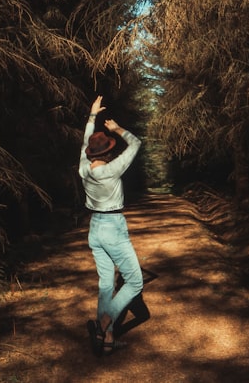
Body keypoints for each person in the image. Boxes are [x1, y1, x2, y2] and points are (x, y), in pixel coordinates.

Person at [79, 95, 143, 356]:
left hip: (94, 227)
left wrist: (92, 116)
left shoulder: (83, 169)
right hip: (113, 227)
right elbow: (136, 143)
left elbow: (85, 141)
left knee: (106, 283)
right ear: (108, 152)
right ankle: (104, 324)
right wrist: (117, 129)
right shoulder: (112, 169)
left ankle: (107, 340)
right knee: (135, 282)